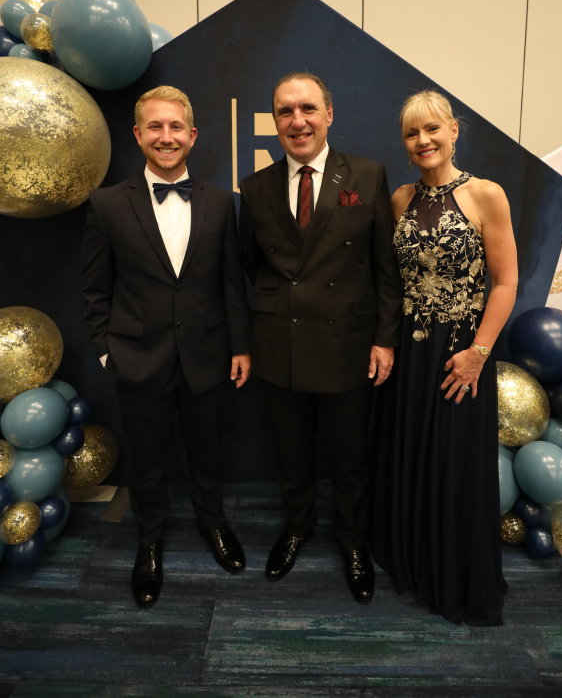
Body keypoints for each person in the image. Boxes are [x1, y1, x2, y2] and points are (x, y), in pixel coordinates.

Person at [82, 85, 251, 608]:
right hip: (137, 358)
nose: (166, 136)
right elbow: (94, 290)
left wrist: (240, 347)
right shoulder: (108, 204)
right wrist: (108, 352)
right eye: (155, 126)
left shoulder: (221, 203)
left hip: (207, 353)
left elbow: (231, 284)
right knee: (148, 460)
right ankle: (150, 540)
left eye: (176, 126)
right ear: (138, 135)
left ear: (193, 135)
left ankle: (212, 523)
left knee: (207, 451)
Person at [239, 72, 401, 602]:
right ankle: (297, 528)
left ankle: (353, 542)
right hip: (280, 343)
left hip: (348, 343)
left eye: (307, 108)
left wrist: (385, 338)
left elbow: (384, 268)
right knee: (291, 453)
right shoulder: (255, 187)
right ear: (275, 122)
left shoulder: (368, 176)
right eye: (285, 111)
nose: (298, 121)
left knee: (350, 456)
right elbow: (250, 265)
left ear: (329, 114)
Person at [370, 89, 518, 626]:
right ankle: (415, 564)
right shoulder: (399, 199)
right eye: (412, 133)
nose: (423, 140)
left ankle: (453, 578)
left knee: (455, 464)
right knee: (413, 454)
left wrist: (478, 353)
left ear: (454, 130)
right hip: (411, 355)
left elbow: (506, 282)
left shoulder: (486, 195)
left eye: (432, 128)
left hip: (461, 354)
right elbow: (391, 283)